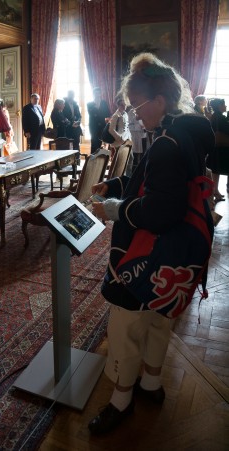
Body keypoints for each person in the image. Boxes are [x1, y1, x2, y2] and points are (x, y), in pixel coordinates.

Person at [88, 52, 215, 435]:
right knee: (160, 321)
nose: (134, 114)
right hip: (174, 256)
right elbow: (157, 184)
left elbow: (159, 209)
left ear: (159, 101)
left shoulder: (165, 143)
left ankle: (121, 402)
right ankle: (152, 385)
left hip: (145, 255)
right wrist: (114, 185)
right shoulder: (184, 133)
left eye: (137, 105)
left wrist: (113, 208)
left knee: (125, 329)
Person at [208, 97, 229, 198]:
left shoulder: (214, 116)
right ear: (219, 106)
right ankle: (215, 191)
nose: (225, 106)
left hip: (216, 146)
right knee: (217, 170)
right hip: (221, 147)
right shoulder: (220, 117)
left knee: (216, 170)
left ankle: (215, 191)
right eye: (223, 104)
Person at [87, 87, 111, 154]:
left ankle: (101, 160)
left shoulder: (104, 103)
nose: (97, 94)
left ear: (100, 94)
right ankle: (92, 159)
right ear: (93, 94)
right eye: (95, 93)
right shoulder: (89, 104)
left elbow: (107, 113)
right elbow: (91, 113)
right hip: (93, 126)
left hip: (103, 125)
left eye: (98, 93)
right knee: (94, 142)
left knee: (102, 142)